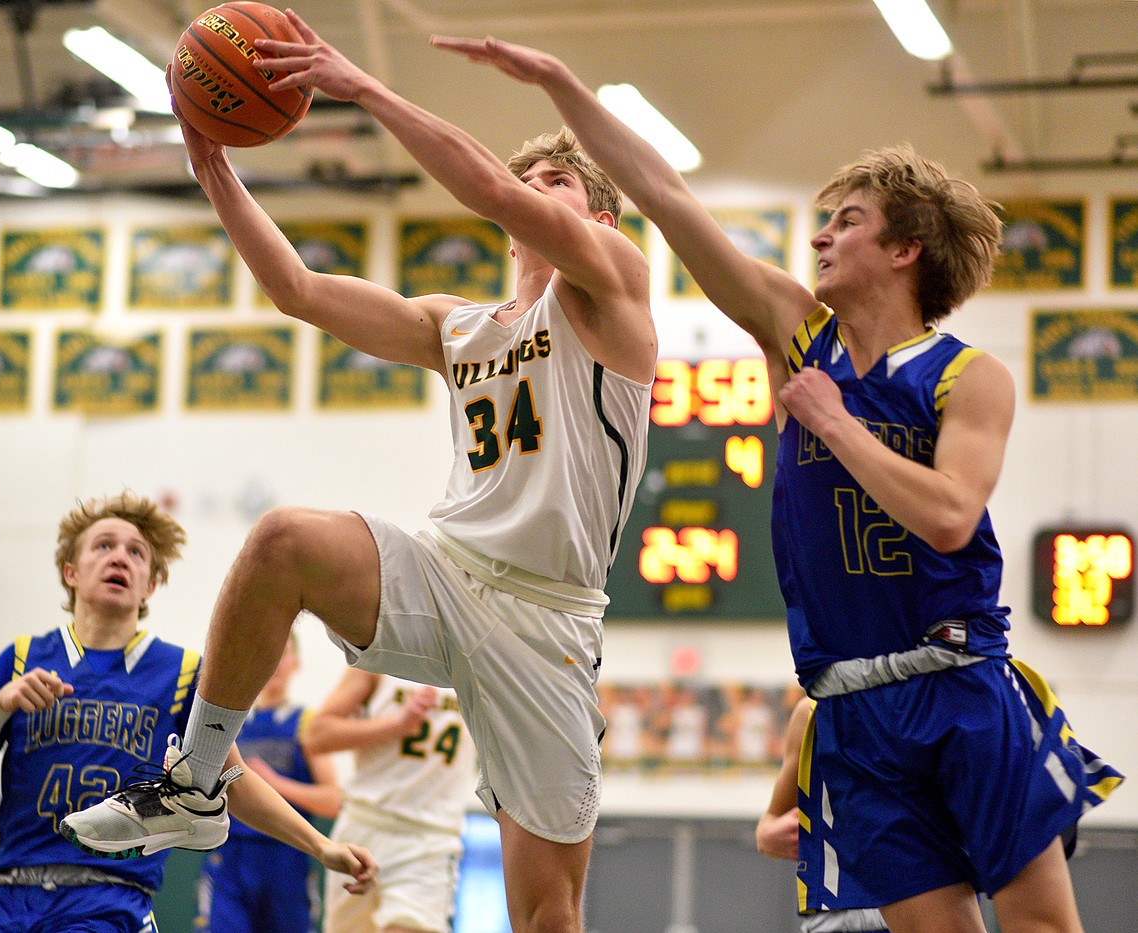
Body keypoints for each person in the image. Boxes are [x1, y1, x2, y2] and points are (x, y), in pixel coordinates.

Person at [430, 37, 1125, 933]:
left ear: (907, 247)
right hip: (848, 706)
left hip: (960, 681)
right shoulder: (798, 332)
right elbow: (667, 198)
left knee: (1039, 925)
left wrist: (833, 423)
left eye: (847, 219)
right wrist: (565, 89)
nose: (821, 233)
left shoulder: (967, 375)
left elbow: (952, 517)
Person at [60, 11, 656, 933]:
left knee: (547, 913)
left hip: (550, 619)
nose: (534, 190)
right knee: (282, 540)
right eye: (531, 179)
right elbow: (297, 290)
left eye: (559, 182)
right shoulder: (458, 327)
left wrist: (368, 88)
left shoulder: (614, 283)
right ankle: (198, 778)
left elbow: (492, 186)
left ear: (601, 218)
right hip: (448, 571)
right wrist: (212, 168)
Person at [0, 492, 374, 933]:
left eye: (136, 552)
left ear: (151, 583)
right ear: (71, 572)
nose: (120, 557)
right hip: (6, 899)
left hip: (108, 901)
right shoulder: (22, 659)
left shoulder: (183, 673)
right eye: (103, 545)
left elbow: (234, 781)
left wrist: (319, 846)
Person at [301, 669, 476, 933]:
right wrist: (398, 724)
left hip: (430, 838)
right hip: (363, 826)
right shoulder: (377, 654)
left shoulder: (477, 660)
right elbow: (316, 737)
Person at [194, 633, 342, 933]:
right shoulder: (229, 722)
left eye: (282, 652)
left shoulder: (306, 722)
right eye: (266, 650)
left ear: (295, 663)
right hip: (230, 854)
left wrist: (274, 784)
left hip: (285, 855)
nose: (274, 660)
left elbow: (332, 800)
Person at [757, 696, 888, 933]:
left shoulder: (931, 700)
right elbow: (771, 821)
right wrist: (768, 837)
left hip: (917, 906)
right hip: (832, 916)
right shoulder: (811, 711)